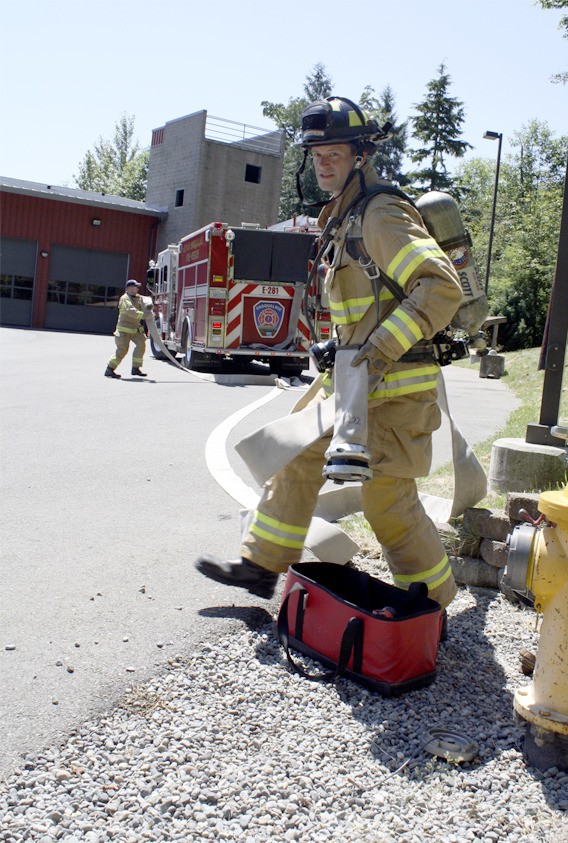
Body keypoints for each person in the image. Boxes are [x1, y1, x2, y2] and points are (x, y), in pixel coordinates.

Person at [195, 96, 464, 613]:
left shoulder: (382, 214)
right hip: (359, 390)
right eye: (316, 154)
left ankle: (431, 607)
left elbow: (439, 287)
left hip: (395, 393)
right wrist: (341, 349)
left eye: (333, 153)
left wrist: (378, 350)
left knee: (388, 505)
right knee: (295, 460)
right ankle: (259, 568)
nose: (322, 163)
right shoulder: (345, 217)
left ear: (361, 155)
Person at [104, 279, 148, 378]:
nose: (137, 288)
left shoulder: (137, 297)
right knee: (122, 350)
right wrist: (144, 315)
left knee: (141, 344)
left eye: (137, 286)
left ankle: (136, 368)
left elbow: (146, 301)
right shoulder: (125, 298)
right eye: (135, 286)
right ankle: (109, 369)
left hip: (135, 329)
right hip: (124, 330)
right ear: (129, 288)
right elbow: (130, 310)